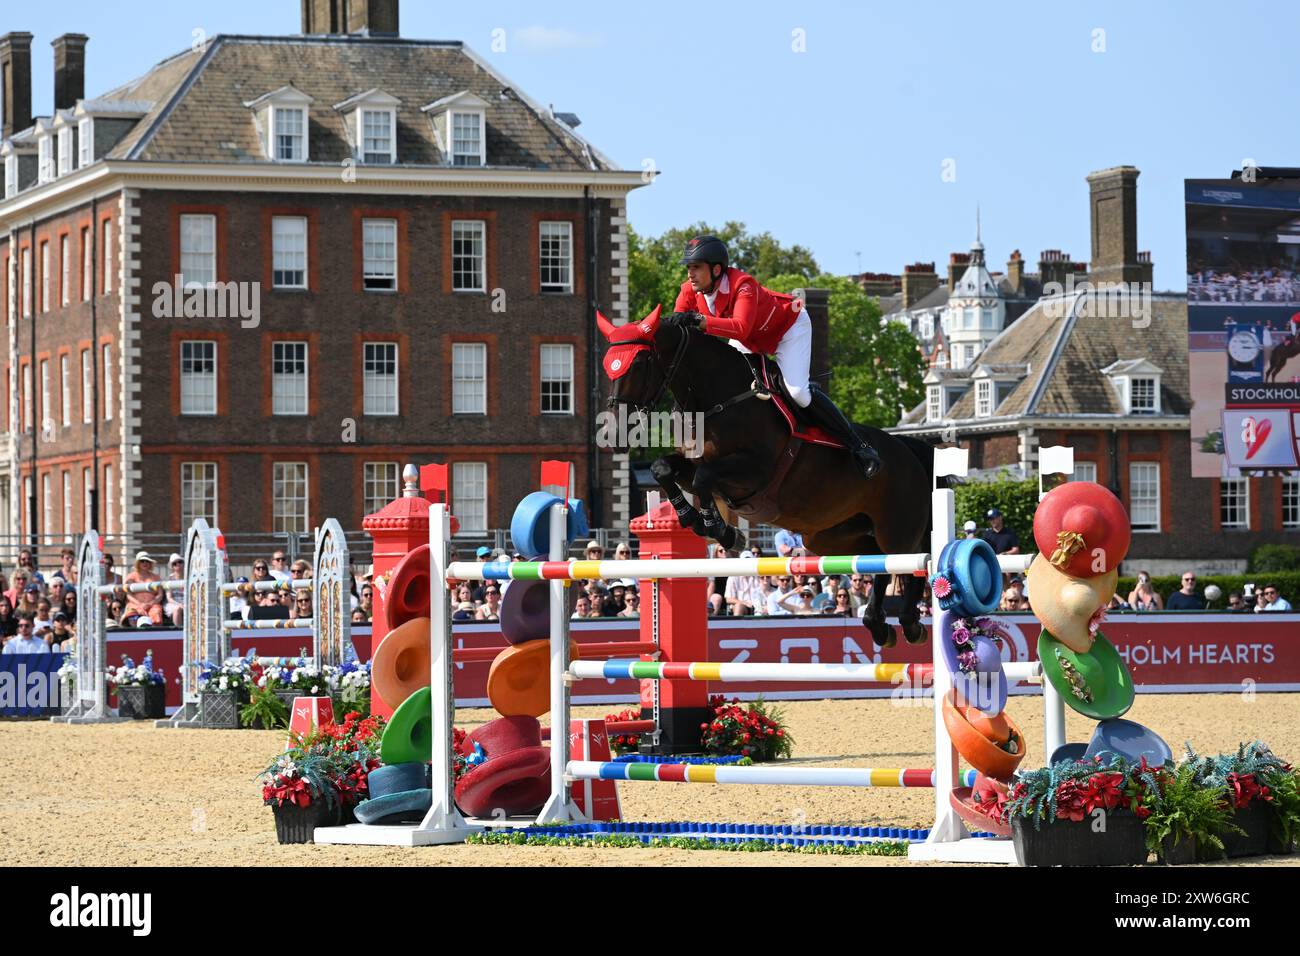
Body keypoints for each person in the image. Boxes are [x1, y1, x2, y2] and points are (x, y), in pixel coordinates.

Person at [666, 234, 881, 478]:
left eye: (696, 267)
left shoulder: (743, 285)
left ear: (716, 269)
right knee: (728, 383)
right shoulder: (688, 291)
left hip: (787, 330)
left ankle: (860, 447)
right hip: (751, 339)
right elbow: (678, 333)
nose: (690, 274)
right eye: (688, 268)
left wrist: (697, 319)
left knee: (798, 393)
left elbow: (739, 328)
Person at [122, 552, 166, 627]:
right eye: (142, 561)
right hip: (135, 604)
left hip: (152, 604)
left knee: (156, 611)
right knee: (135, 613)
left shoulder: (156, 577)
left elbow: (160, 595)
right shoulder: (130, 576)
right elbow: (128, 595)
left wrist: (150, 604)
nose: (145, 563)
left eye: (147, 561)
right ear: (138, 563)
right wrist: (140, 604)